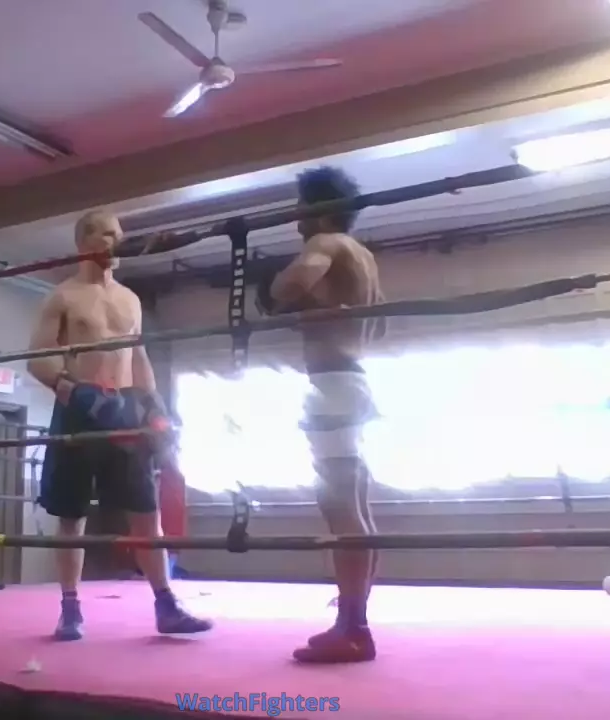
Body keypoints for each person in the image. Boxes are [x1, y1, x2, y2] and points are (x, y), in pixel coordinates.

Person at [27, 209, 212, 641]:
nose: (119, 242)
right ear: (85, 242)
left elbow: (138, 356)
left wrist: (154, 406)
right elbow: (38, 357)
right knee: (71, 515)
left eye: (120, 234)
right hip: (78, 409)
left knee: (146, 513)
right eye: (110, 234)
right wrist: (73, 390)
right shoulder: (63, 296)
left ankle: (166, 604)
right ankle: (70, 609)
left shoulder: (129, 299)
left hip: (126, 409)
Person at [256, 166, 385, 664]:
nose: (295, 216)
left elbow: (292, 283)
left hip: (332, 387)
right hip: (354, 381)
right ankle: (354, 619)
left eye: (300, 206)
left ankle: (353, 629)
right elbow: (379, 326)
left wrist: (276, 290)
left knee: (340, 509)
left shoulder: (326, 243)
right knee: (356, 509)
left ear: (320, 209)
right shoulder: (364, 257)